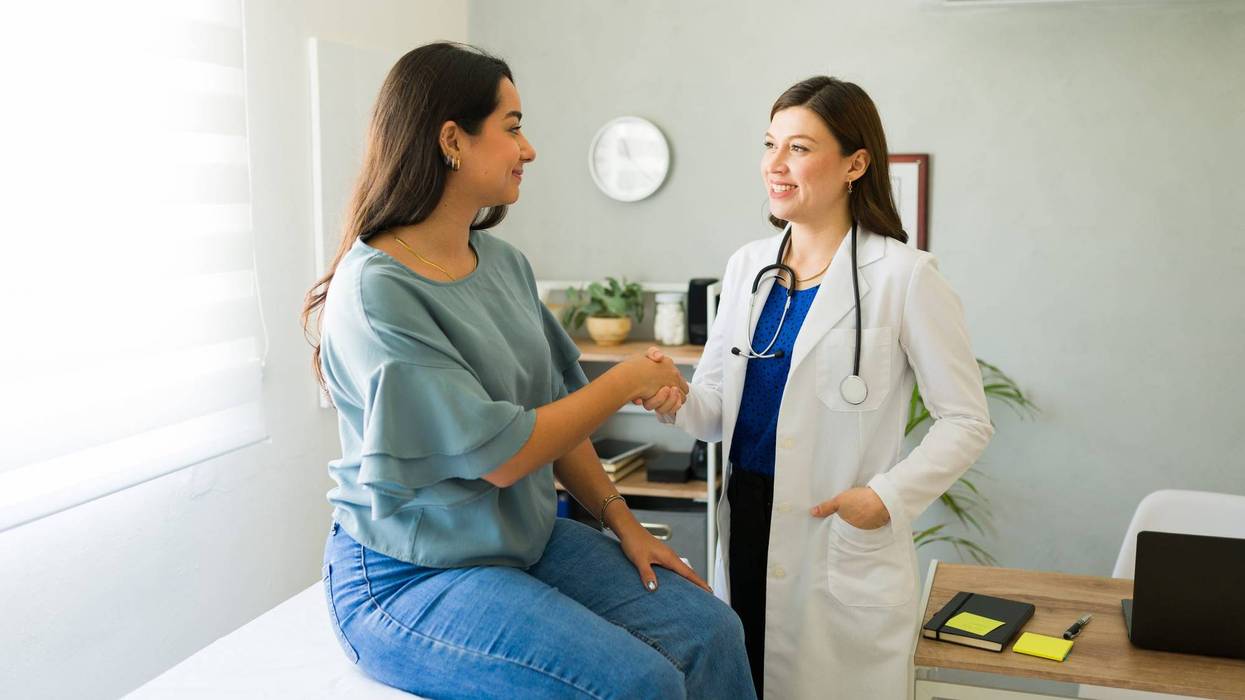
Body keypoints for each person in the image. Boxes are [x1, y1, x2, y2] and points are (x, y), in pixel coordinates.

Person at [301, 42, 755, 700]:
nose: (529, 149)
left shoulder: (505, 266)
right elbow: (505, 455)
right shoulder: (376, 289)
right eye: (512, 128)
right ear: (452, 139)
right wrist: (626, 379)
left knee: (712, 629)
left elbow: (558, 416)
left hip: (522, 543)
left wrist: (626, 526)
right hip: (408, 574)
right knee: (638, 685)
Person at [638, 76, 994, 699]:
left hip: (836, 528)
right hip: (747, 520)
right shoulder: (748, 267)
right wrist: (675, 397)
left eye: (799, 148)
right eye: (770, 144)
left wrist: (884, 497)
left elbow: (966, 420)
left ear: (855, 163)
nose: (775, 165)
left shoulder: (905, 277)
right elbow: (717, 410)